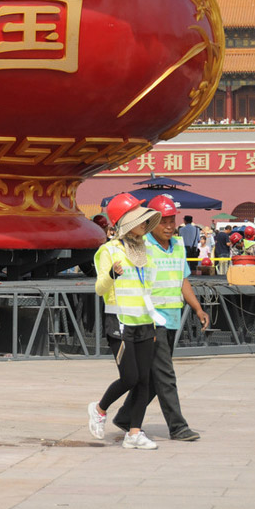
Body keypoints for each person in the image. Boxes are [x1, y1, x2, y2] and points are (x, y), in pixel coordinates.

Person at [112, 194, 210, 443]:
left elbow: (182, 281)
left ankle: (125, 417)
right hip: (151, 320)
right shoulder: (140, 246)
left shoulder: (177, 245)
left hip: (172, 318)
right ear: (151, 222)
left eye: (171, 220)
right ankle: (178, 426)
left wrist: (198, 309)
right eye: (163, 221)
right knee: (165, 373)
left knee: (155, 377)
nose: (169, 226)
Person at [88, 193, 162, 450]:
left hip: (144, 322)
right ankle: (99, 409)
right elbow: (99, 288)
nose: (145, 224)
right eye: (139, 220)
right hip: (119, 322)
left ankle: (134, 433)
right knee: (130, 377)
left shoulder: (147, 251)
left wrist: (156, 319)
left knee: (144, 380)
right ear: (126, 224)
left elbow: (149, 288)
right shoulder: (108, 251)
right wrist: (112, 274)